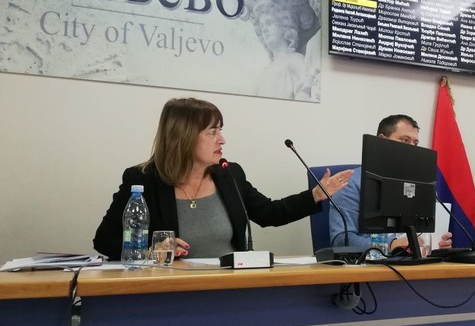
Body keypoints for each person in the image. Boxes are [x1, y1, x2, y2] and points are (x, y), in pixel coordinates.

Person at [93, 98, 353, 261]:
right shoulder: (143, 180)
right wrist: (152, 251)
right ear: (184, 137)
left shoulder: (229, 174)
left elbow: (269, 213)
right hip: (166, 293)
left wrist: (315, 196)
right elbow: (105, 241)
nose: (222, 139)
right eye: (212, 132)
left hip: (228, 290)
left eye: (221, 130)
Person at [329, 114, 452, 253]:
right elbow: (340, 240)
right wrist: (391, 245)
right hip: (371, 269)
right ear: (381, 141)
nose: (412, 148)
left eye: (415, 143)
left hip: (416, 266)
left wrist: (437, 244)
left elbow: (424, 234)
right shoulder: (350, 184)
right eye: (405, 140)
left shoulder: (423, 186)